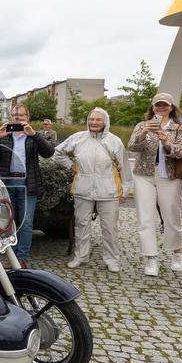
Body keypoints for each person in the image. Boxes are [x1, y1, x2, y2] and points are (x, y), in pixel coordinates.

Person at [53, 108, 129, 273]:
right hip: (82, 188)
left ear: (105, 122)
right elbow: (58, 152)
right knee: (81, 224)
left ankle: (112, 260)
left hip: (109, 190)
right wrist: (71, 166)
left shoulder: (114, 141)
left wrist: (125, 190)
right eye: (91, 119)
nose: (94, 122)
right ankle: (80, 256)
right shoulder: (78, 138)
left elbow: (124, 168)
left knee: (109, 228)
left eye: (98, 120)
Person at [127, 93, 182, 276]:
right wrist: (144, 133)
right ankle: (151, 257)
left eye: (164, 105)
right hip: (143, 174)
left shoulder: (180, 128)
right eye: (157, 105)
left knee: (171, 215)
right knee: (145, 217)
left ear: (171, 107)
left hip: (169, 175)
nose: (161, 108)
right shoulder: (142, 125)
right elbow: (132, 146)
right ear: (152, 108)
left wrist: (166, 141)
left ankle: (177, 251)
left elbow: (181, 152)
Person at [0, 104, 55, 268]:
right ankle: (11, 255)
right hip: (8, 183)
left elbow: (49, 153)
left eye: (21, 116)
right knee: (10, 221)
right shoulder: (5, 134)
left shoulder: (33, 135)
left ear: (27, 118)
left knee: (25, 222)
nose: (17, 119)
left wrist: (35, 135)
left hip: (28, 183)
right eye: (14, 116)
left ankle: (21, 257)